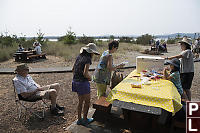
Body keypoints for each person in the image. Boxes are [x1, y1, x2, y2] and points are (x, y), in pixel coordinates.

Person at [72, 43, 100, 125]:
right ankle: (85, 119)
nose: (93, 55)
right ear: (91, 52)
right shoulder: (88, 59)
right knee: (87, 102)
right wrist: (91, 78)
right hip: (82, 83)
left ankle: (79, 119)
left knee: (80, 101)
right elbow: (85, 73)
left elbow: (73, 69)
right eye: (93, 53)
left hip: (75, 81)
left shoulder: (79, 56)